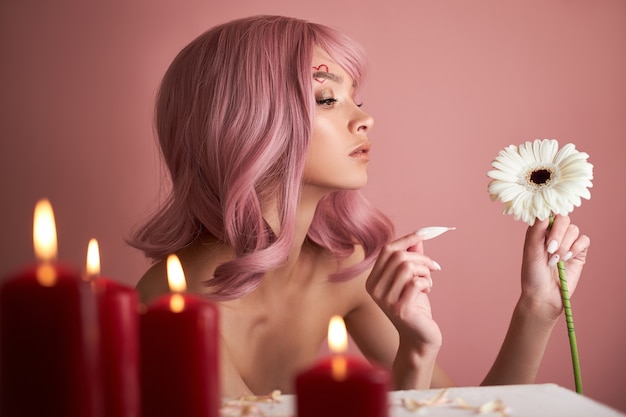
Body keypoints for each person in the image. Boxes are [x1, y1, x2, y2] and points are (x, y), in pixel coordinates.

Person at [130, 15, 590, 397]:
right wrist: (413, 358)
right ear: (244, 122)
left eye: (357, 98)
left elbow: (468, 411)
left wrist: (537, 308)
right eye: (328, 98)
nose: (365, 118)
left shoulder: (342, 268)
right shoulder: (171, 301)